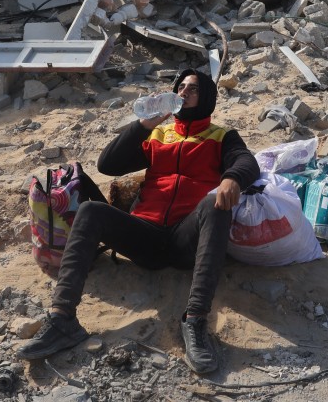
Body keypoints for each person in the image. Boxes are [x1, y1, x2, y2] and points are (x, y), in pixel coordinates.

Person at [16, 68, 260, 374]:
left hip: (187, 239)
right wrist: (145, 125)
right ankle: (62, 319)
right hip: (146, 236)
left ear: (207, 97)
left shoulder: (221, 136)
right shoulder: (159, 135)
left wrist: (231, 178)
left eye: (193, 88)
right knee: (91, 210)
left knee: (215, 204)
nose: (183, 92)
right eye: (180, 87)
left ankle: (196, 321)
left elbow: (246, 161)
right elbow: (107, 164)